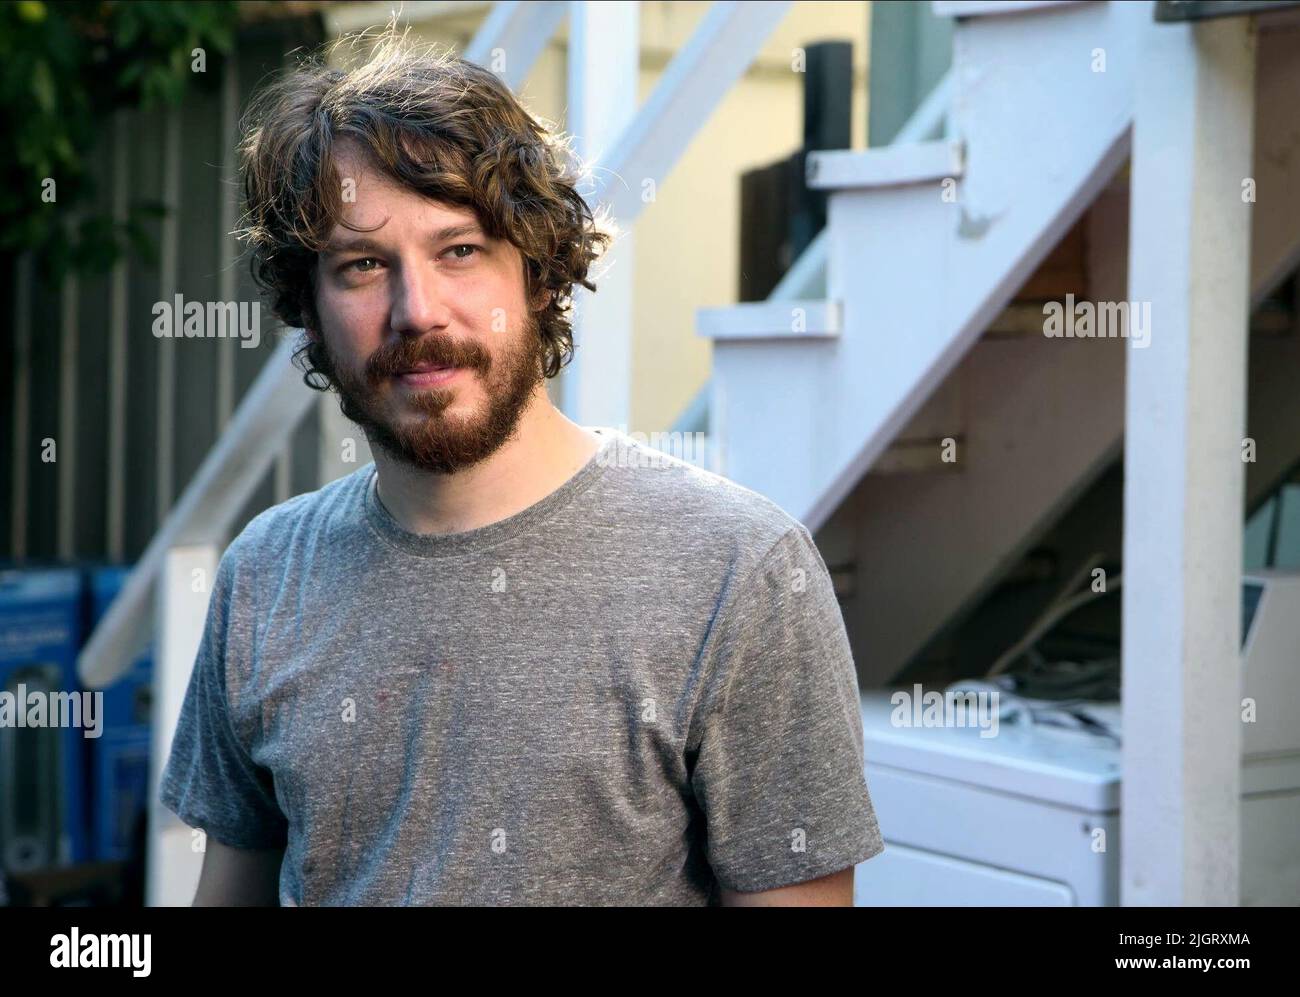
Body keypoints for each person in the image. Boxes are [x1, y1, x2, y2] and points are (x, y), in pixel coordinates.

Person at [159, 29, 883, 907]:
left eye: (460, 249)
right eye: (361, 265)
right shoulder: (265, 576)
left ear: (538, 276)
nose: (417, 311)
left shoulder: (739, 571)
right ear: (309, 311)